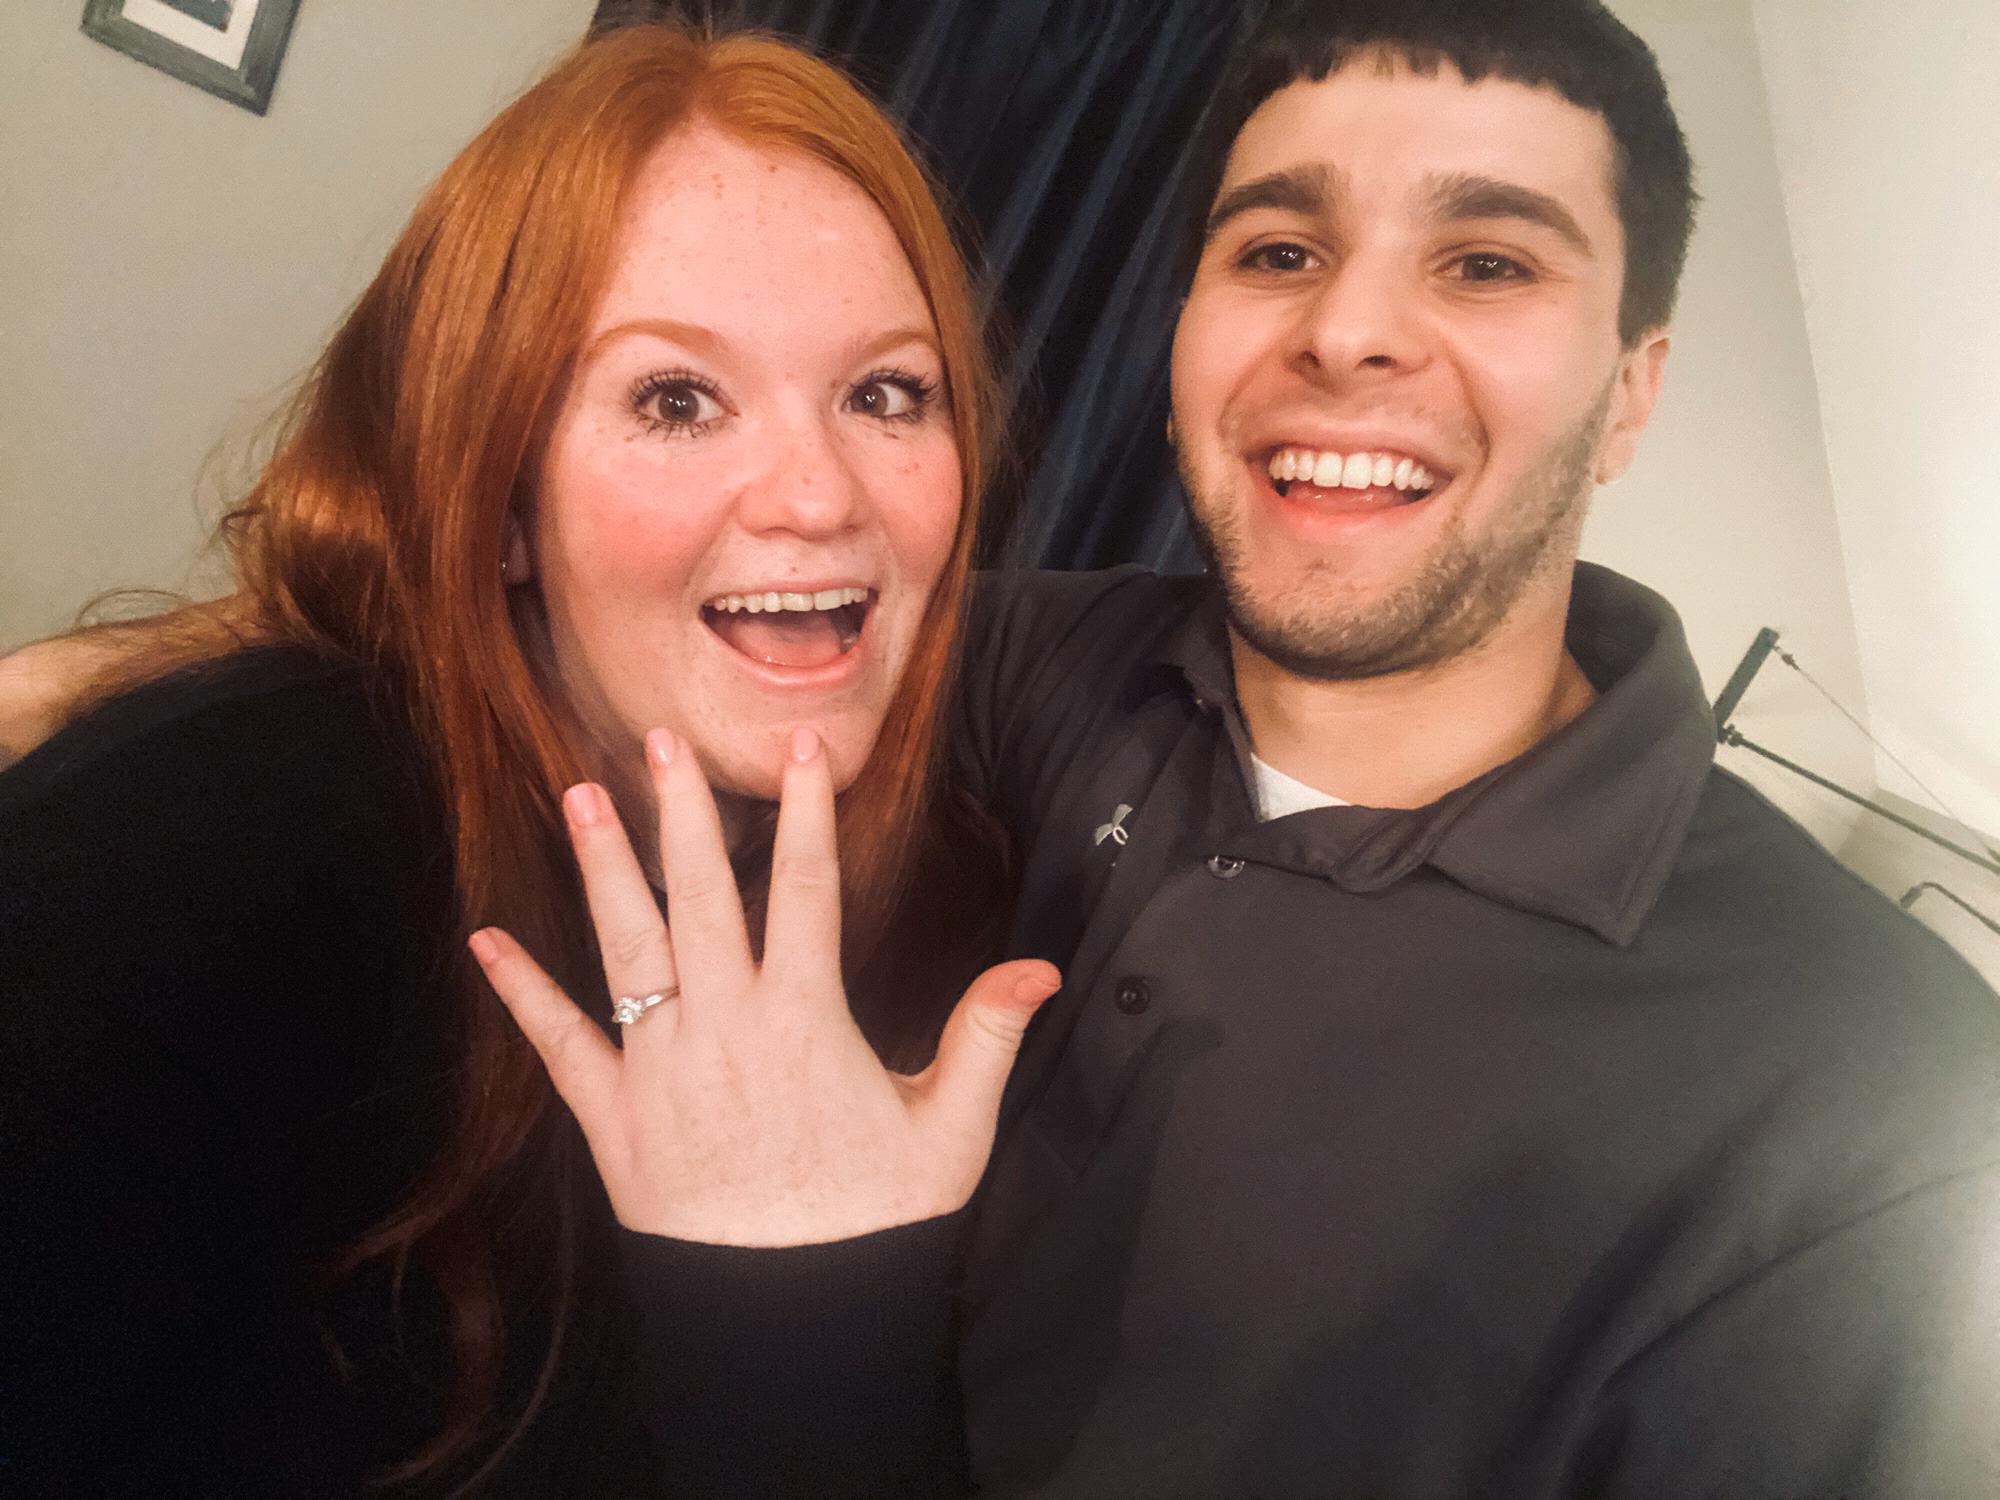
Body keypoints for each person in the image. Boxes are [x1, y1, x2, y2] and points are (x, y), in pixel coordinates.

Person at [488, 1, 2000, 1495]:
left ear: (1631, 393)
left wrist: (783, 1333)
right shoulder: (1025, 657)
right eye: (1278, 252)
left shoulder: (1876, 1120)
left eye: (1486, 262)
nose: (1343, 333)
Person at [0, 23, 1055, 1496]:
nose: (822, 497)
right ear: (498, 497)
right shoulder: (180, 863)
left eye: (887, 394)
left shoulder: (964, 910)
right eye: (676, 399)